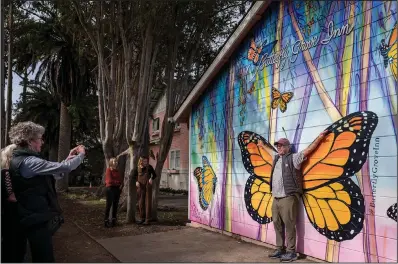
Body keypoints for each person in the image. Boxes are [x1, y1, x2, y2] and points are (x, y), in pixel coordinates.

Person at [8, 121, 86, 263]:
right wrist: (81, 155)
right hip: (35, 218)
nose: (42, 142)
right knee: (44, 258)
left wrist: (68, 159)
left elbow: (51, 173)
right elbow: (64, 168)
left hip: (29, 215)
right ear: (30, 141)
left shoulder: (22, 160)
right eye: (40, 139)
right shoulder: (30, 161)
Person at [257, 131, 328, 262]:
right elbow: (269, 151)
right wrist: (261, 145)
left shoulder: (294, 158)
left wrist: (319, 138)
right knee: (277, 223)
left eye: (282, 146)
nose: (279, 148)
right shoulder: (276, 157)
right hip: (276, 198)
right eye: (278, 146)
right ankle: (280, 248)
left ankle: (291, 252)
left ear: (288, 147)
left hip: (288, 197)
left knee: (289, 225)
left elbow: (308, 150)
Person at [1, 144, 27, 263]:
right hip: (13, 212)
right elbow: (12, 197)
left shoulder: (5, 171)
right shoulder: (7, 172)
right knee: (14, 242)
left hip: (8, 213)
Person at [133, 155, 156, 225]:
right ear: (141, 161)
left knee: (148, 202)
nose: (146, 162)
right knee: (140, 202)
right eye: (144, 161)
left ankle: (147, 219)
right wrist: (136, 181)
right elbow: (134, 176)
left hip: (148, 186)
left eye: (146, 161)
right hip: (140, 187)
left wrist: (151, 178)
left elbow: (154, 175)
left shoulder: (149, 167)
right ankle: (142, 218)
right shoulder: (137, 168)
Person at [104, 157, 123, 228]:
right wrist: (118, 183)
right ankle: (106, 221)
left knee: (115, 205)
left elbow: (120, 180)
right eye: (114, 161)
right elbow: (109, 181)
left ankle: (114, 220)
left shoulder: (117, 171)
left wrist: (119, 184)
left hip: (117, 189)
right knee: (109, 205)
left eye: (116, 161)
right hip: (110, 189)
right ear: (111, 162)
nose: (116, 162)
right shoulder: (108, 170)